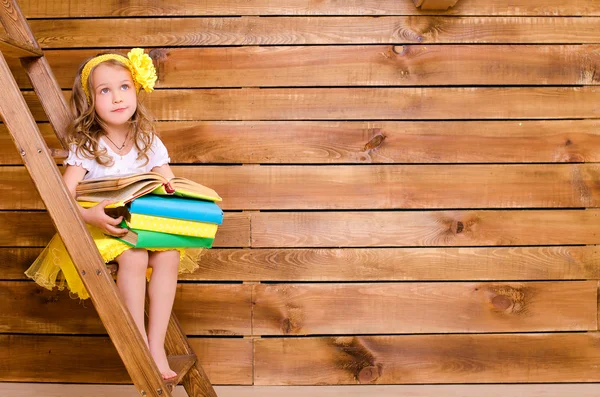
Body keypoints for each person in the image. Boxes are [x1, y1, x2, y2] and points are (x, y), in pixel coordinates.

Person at [24, 49, 199, 379]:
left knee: (169, 256)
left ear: (136, 91)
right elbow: (62, 195)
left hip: (144, 223)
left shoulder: (148, 140)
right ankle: (135, 339)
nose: (117, 97)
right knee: (133, 257)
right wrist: (90, 216)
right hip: (105, 225)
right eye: (105, 90)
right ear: (91, 100)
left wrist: (174, 192)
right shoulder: (88, 145)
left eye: (124, 87)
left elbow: (169, 181)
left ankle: (155, 343)